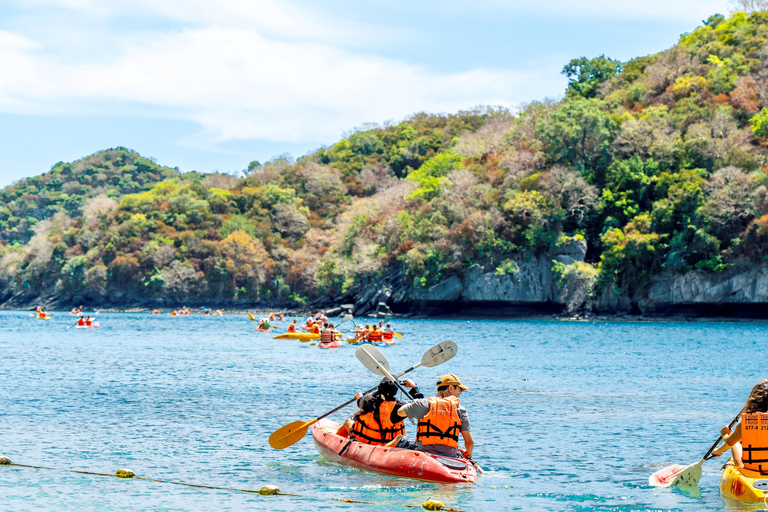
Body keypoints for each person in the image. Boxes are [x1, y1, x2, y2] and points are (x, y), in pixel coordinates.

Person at [386, 374, 474, 460]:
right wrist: (468, 455)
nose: (458, 394)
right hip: (450, 456)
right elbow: (469, 442)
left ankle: (380, 454)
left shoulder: (424, 403)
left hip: (423, 453)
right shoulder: (461, 410)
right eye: (459, 391)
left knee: (399, 438)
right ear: (450, 388)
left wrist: (413, 404)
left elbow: (399, 412)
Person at [339, 378, 423, 445]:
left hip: (363, 441)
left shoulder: (367, 400)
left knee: (348, 422)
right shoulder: (399, 407)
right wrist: (414, 388)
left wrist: (359, 396)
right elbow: (420, 406)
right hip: (388, 444)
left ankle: (338, 444)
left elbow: (360, 401)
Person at [712, 379, 768, 470]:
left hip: (751, 468)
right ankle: (719, 450)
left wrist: (724, 434)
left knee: (737, 441)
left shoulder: (746, 423)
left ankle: (719, 450)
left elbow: (730, 442)